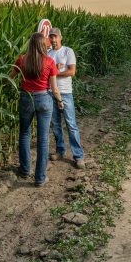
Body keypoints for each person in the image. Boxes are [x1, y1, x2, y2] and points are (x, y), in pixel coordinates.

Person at [9, 32, 64, 186]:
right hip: (44, 100)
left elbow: (9, 79)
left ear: (30, 44)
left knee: (25, 133)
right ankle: (40, 178)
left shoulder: (21, 60)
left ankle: (25, 169)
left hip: (26, 98)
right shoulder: (49, 62)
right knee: (43, 139)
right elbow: (54, 88)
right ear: (42, 45)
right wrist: (60, 101)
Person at [47, 27, 85, 169]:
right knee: (56, 124)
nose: (53, 40)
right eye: (51, 37)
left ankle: (78, 156)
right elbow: (45, 71)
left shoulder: (68, 51)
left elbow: (72, 71)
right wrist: (56, 70)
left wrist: (54, 72)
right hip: (50, 93)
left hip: (65, 93)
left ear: (60, 37)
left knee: (71, 124)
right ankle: (60, 151)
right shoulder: (48, 53)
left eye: (55, 37)